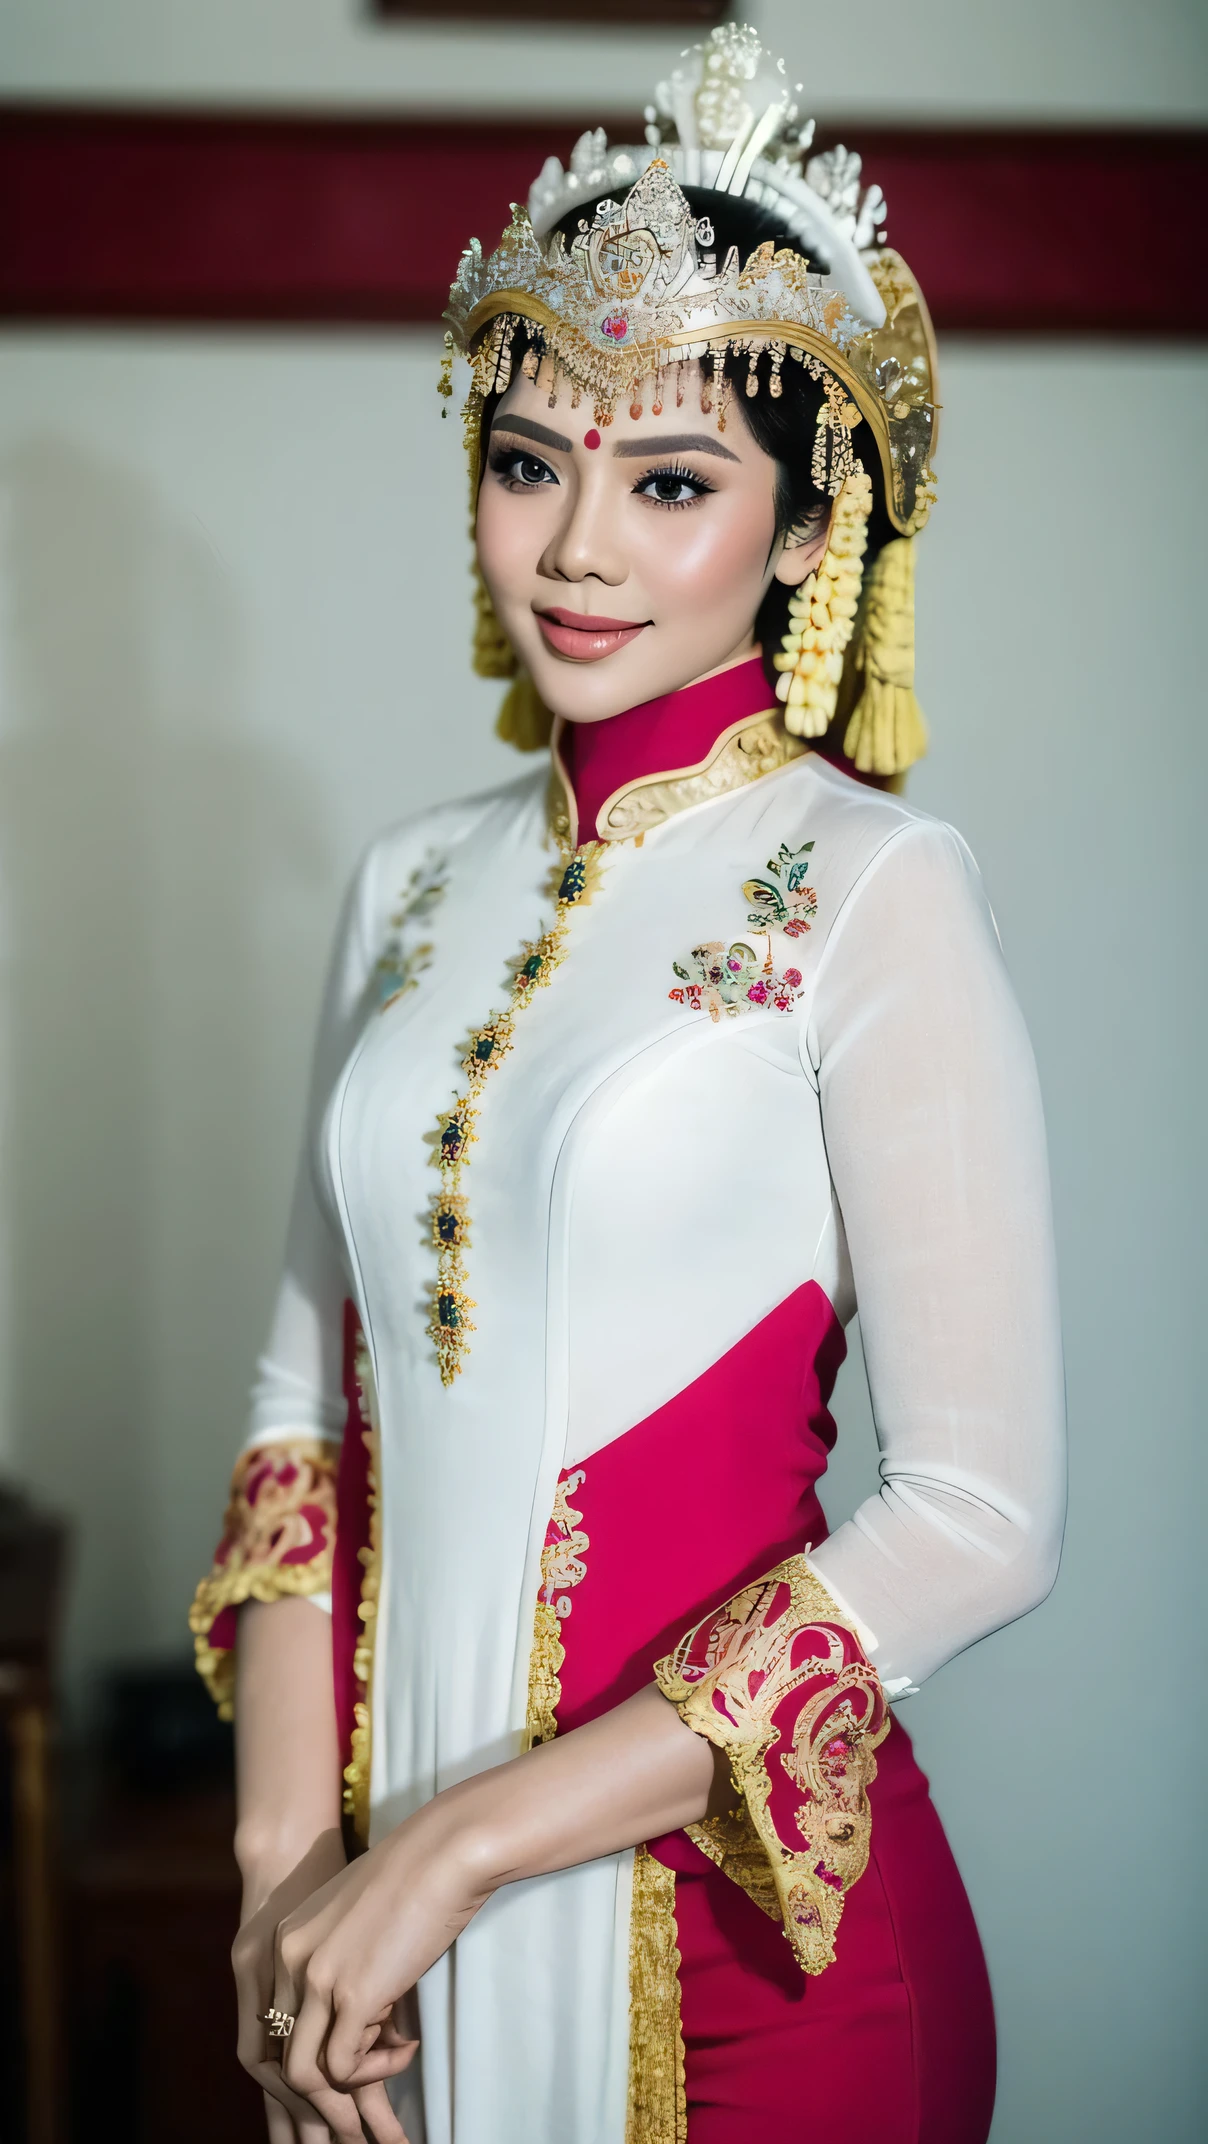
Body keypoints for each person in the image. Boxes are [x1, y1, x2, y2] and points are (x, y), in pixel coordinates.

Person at [191, 28, 1065, 2144]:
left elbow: (978, 1514)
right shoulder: (409, 883)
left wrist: (462, 1846)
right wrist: (289, 1878)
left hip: (759, 1967)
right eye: (526, 459)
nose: (576, 544)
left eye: (669, 481)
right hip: (390, 1945)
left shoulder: (872, 892)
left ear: (799, 528)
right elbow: (307, 1410)